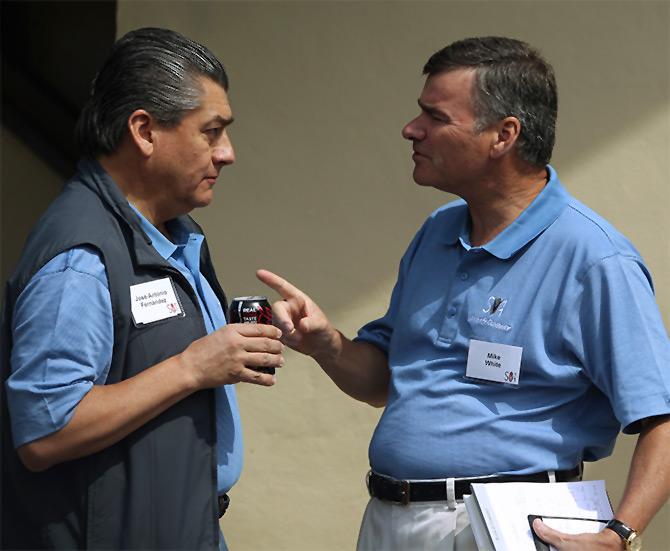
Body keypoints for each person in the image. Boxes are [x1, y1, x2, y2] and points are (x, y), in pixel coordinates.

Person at [257, 36, 670, 551]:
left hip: (510, 527)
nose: (412, 130)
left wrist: (620, 535)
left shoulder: (595, 257)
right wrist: (325, 343)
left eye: (435, 116)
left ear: (503, 135)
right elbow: (385, 380)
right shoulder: (437, 232)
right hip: (392, 518)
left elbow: (661, 418)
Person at [1, 27, 284, 550]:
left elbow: (145, 347)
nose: (228, 153)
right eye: (212, 131)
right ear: (145, 131)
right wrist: (193, 367)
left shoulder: (174, 233)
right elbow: (45, 432)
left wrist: (240, 338)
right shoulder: (81, 259)